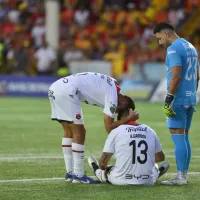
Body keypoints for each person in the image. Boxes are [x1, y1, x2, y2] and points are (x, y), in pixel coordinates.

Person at [48, 72, 139, 184]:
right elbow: (109, 127)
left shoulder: (112, 86)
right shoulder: (113, 96)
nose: (115, 112)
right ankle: (78, 175)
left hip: (56, 87)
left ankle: (70, 173)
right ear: (123, 102)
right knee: (80, 131)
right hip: (68, 91)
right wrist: (126, 119)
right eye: (118, 111)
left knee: (68, 131)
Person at [153, 21, 199, 185]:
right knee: (184, 137)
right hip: (190, 97)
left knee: (178, 137)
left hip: (178, 99)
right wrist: (191, 94)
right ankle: (183, 175)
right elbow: (197, 75)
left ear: (166, 34)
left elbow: (177, 76)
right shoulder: (190, 46)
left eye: (159, 38)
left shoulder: (173, 49)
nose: (160, 43)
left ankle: (180, 177)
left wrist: (169, 98)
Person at [88, 104, 170, 185]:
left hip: (120, 180)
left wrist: (106, 168)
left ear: (120, 119)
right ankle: (156, 172)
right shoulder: (150, 130)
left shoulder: (116, 131)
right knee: (154, 166)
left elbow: (102, 163)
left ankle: (97, 171)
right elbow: (160, 157)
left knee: (107, 171)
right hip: (147, 181)